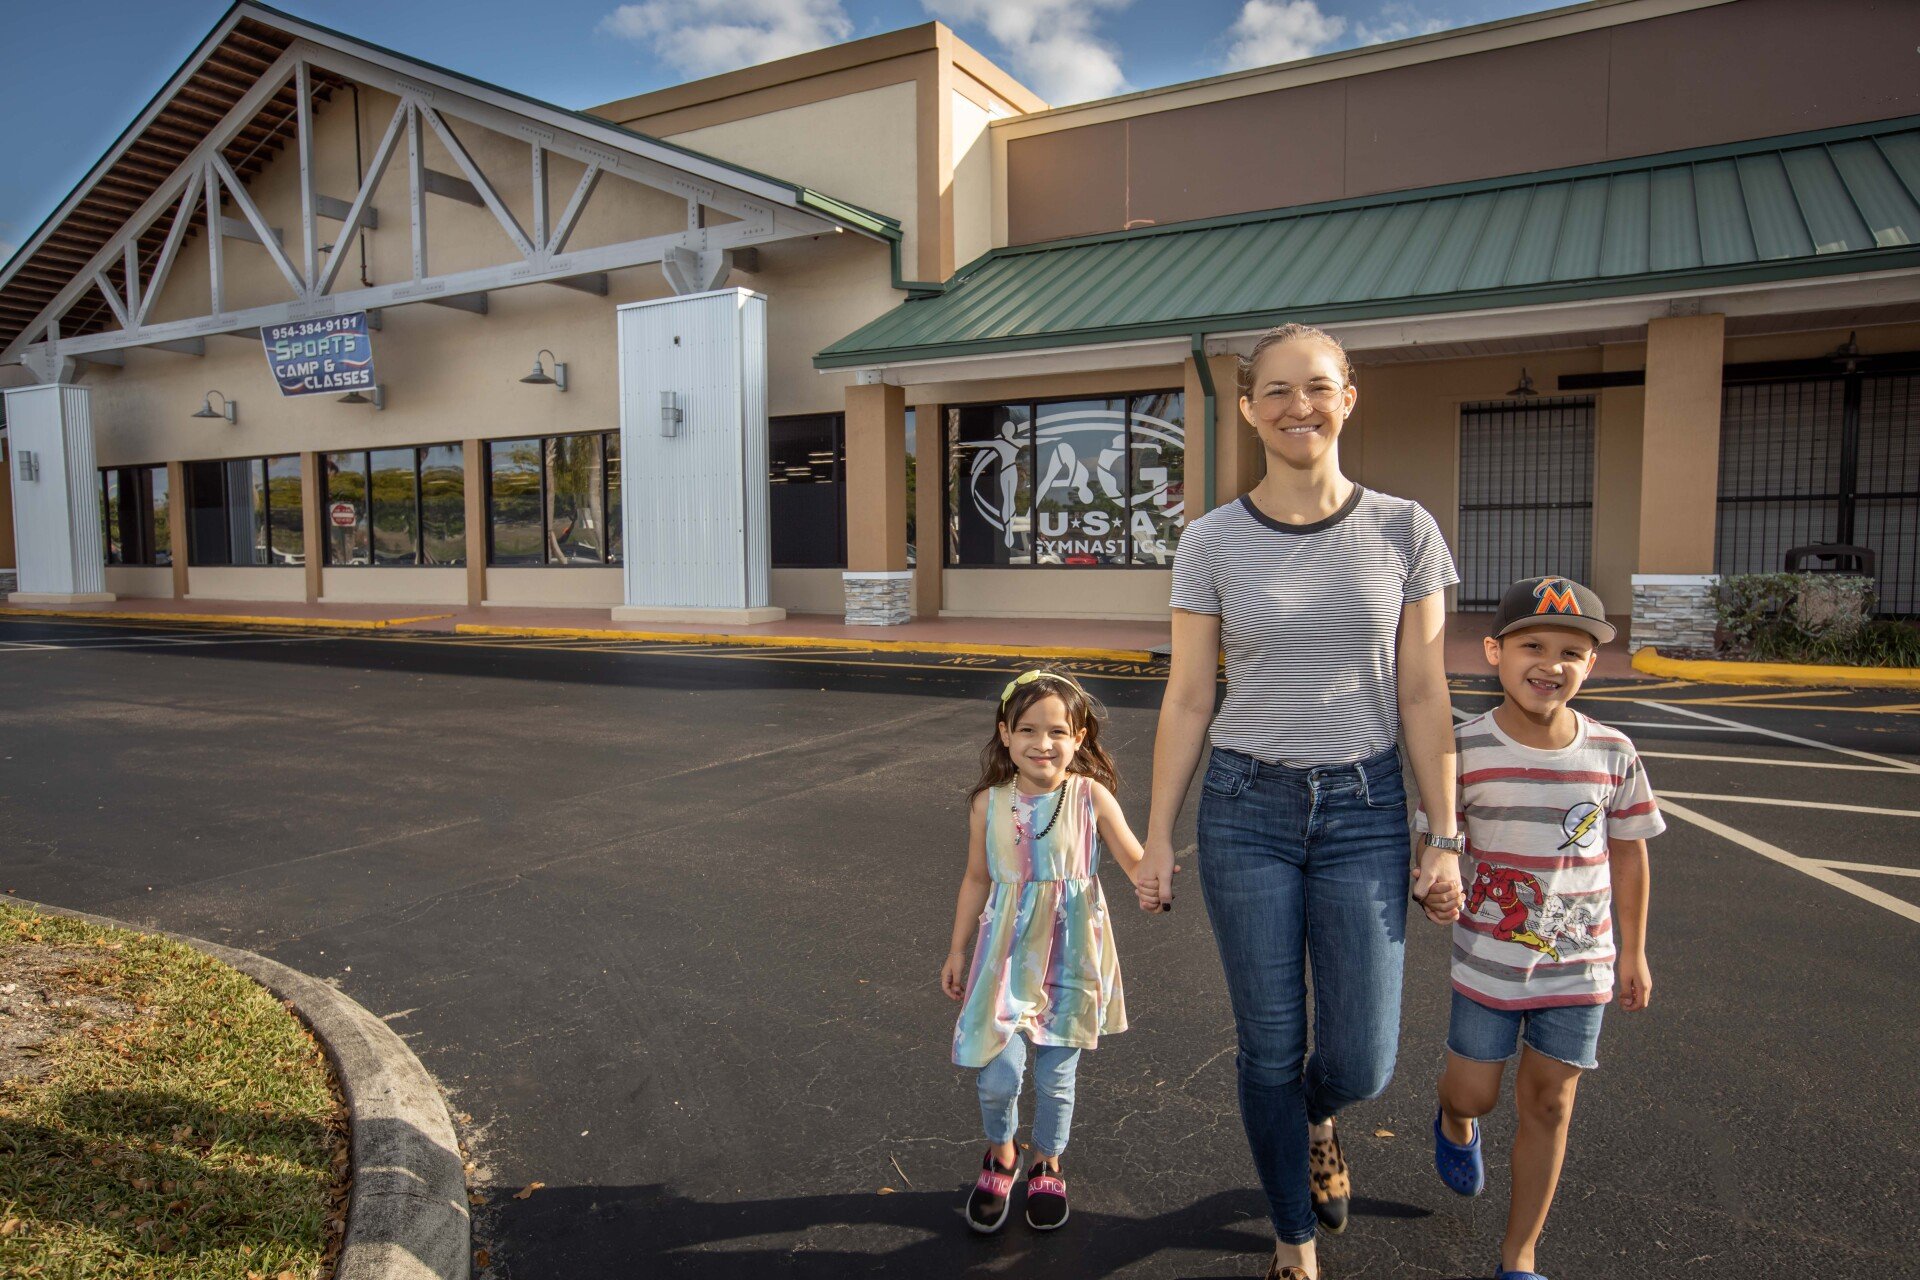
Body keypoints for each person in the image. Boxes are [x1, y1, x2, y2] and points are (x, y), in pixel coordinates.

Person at [1137, 322, 1463, 1280]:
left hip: (1365, 806)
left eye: (1316, 387)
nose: (1297, 407)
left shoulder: (1407, 530)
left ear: (1348, 396)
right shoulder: (1210, 541)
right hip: (1246, 809)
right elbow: (1191, 692)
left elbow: (1423, 693)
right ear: (1247, 410)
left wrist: (1441, 834)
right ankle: (1292, 1235)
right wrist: (1157, 835)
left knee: (1361, 1060)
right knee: (1269, 1046)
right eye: (1275, 391)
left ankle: (1323, 1116)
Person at [1423, 576, 1663, 1280]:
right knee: (1475, 1092)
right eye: (1533, 644)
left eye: (1573, 651)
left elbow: (1629, 855)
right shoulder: (1462, 749)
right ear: (1494, 652)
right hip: (1487, 964)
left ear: (1592, 665)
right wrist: (1435, 883)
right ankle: (1453, 1122)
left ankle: (1519, 1256)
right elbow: (1438, 839)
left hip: (1579, 968)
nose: (1552, 663)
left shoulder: (1613, 752)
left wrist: (1633, 954)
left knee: (1550, 1105)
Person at [941, 668, 1163, 1234]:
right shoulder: (988, 805)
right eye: (1029, 730)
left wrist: (1152, 880)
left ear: (1080, 738)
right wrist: (957, 951)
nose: (1044, 743)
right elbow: (974, 879)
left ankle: (1048, 1161)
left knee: (1057, 1079)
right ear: (1006, 734)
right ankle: (1003, 1153)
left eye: (1059, 731)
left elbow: (1135, 860)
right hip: (1005, 961)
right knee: (997, 1075)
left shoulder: (1090, 796)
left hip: (1072, 959)